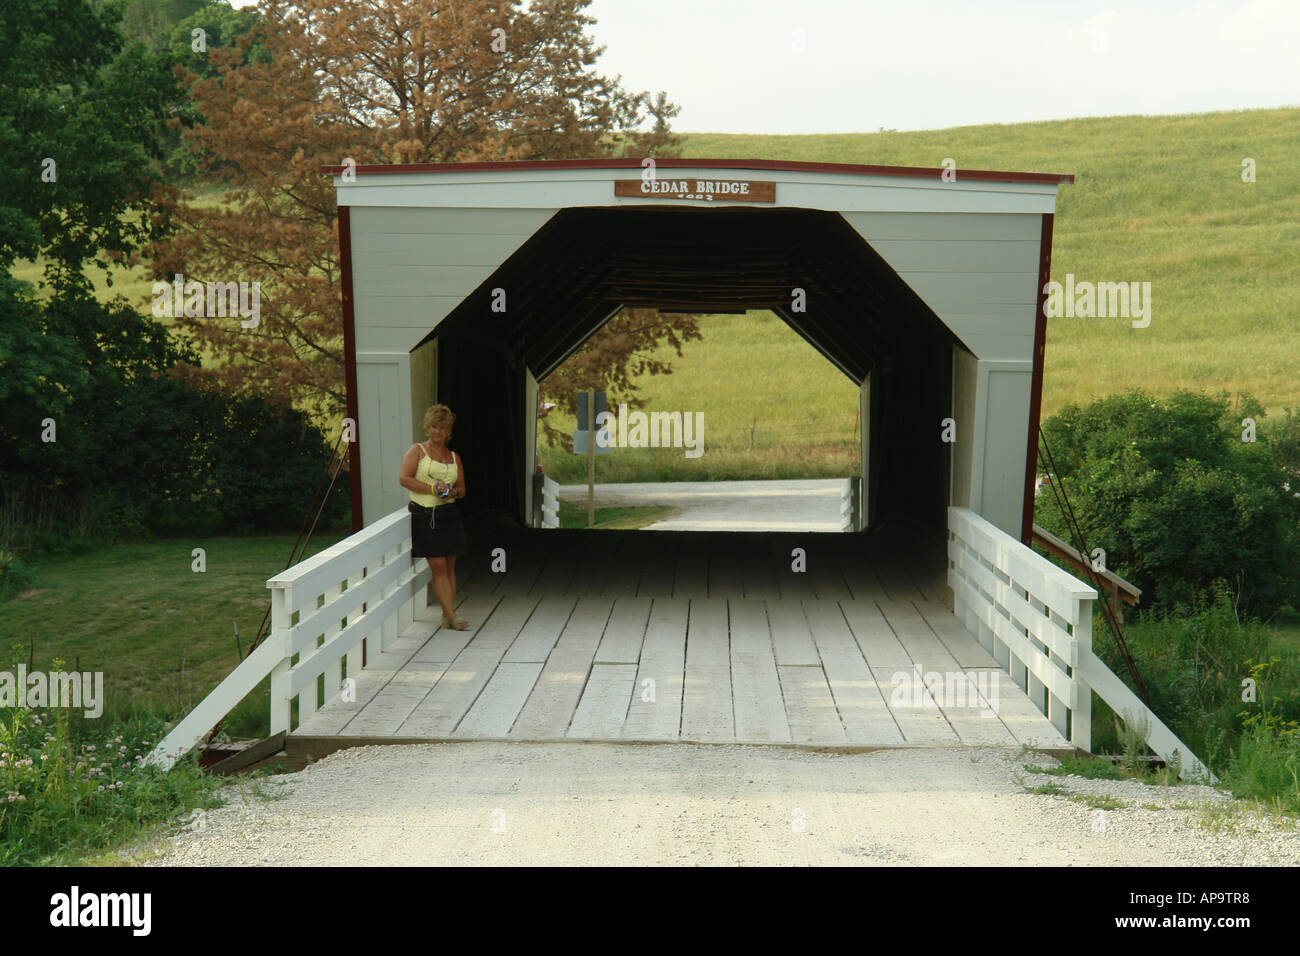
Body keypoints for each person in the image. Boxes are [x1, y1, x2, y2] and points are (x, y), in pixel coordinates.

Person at [398, 404, 469, 630]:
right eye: (435, 427)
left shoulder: (454, 457)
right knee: (437, 565)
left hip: (449, 513)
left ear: (449, 431)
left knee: (449, 566)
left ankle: (447, 615)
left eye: (443, 428)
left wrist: (452, 492)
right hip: (424, 514)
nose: (438, 432)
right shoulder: (418, 451)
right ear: (428, 427)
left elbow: (462, 489)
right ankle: (452, 616)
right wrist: (432, 489)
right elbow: (404, 478)